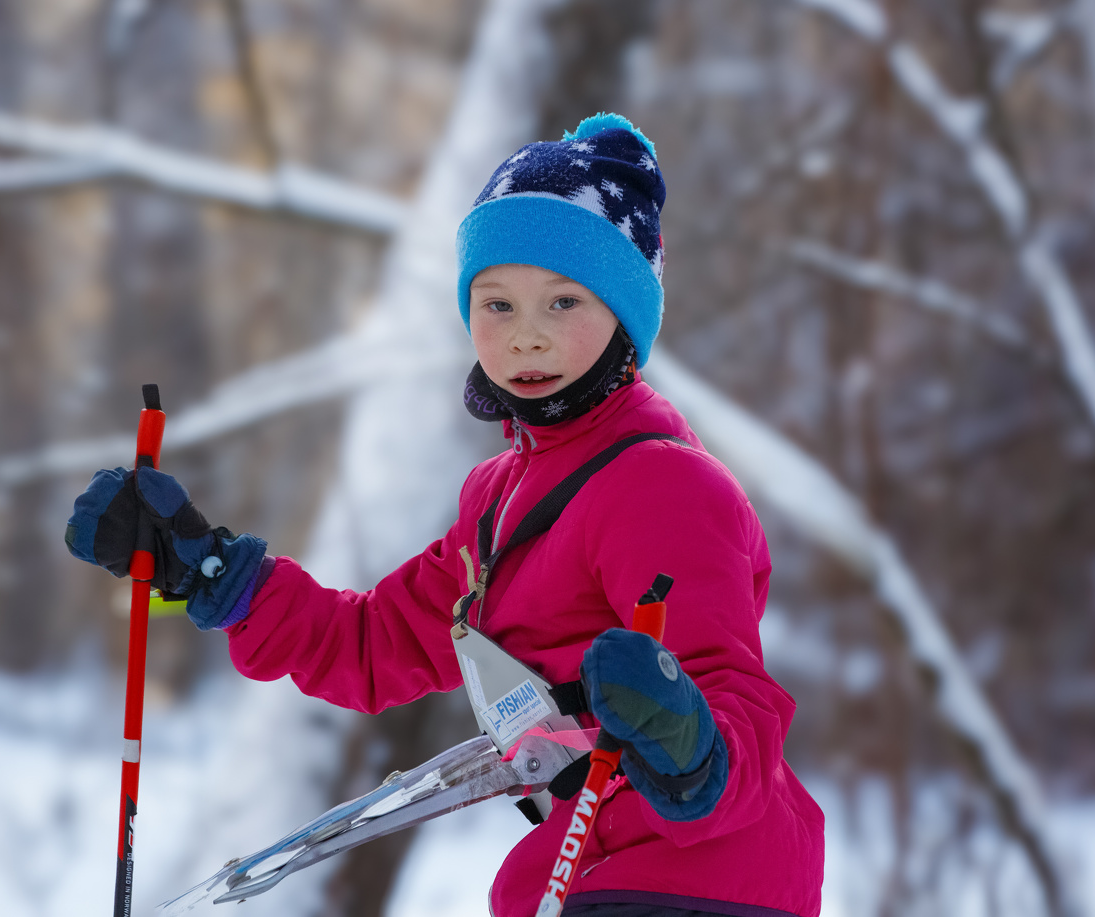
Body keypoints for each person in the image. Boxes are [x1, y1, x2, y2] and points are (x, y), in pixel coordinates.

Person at [67, 113, 825, 917]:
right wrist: (203, 564)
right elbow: (369, 645)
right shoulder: (499, 501)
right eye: (496, 304)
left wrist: (691, 748)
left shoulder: (664, 486)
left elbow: (734, 690)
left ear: (624, 317)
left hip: (702, 877)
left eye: (563, 301)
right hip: (586, 864)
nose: (526, 336)